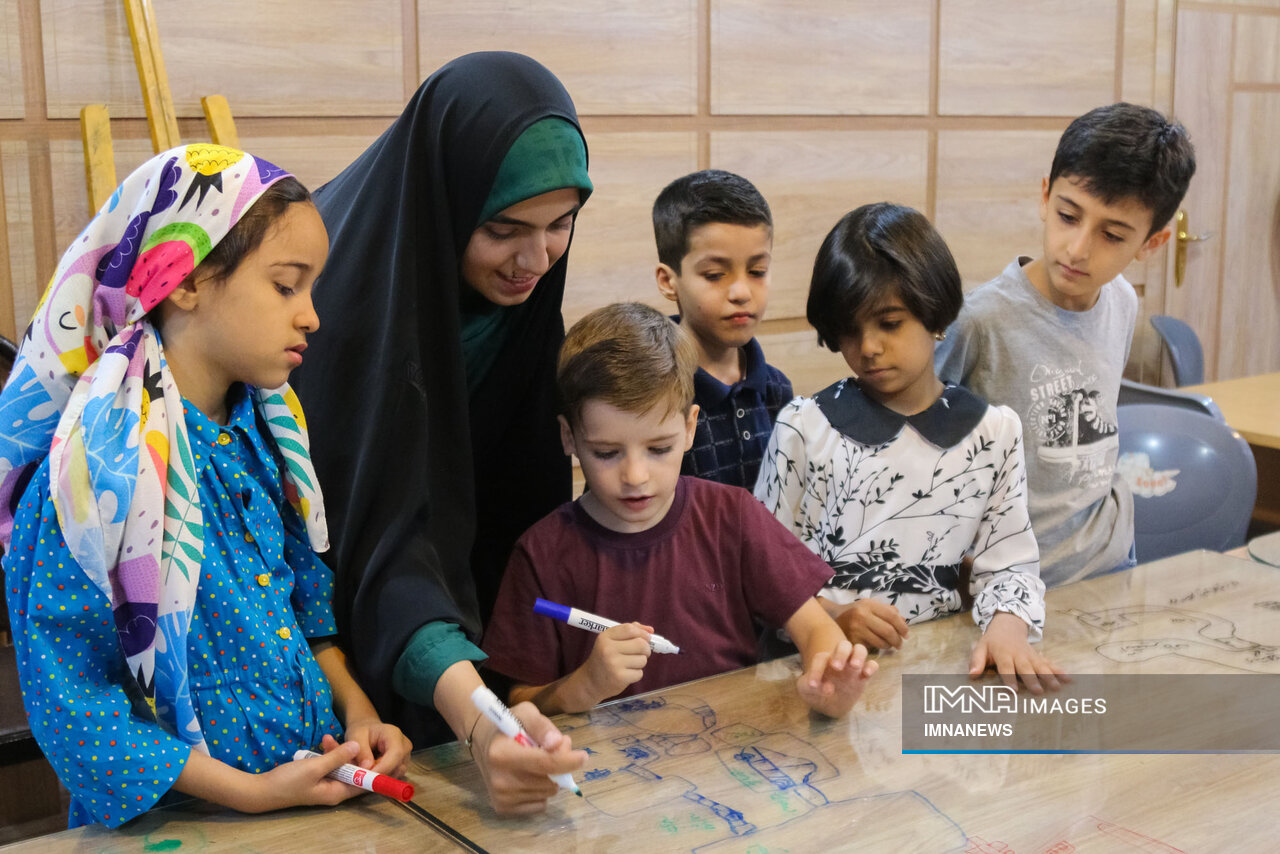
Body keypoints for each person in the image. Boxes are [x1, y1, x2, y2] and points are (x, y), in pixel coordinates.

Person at [0, 145, 410, 828]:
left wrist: (358, 710)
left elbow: (303, 606)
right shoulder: (93, 472)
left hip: (307, 802)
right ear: (185, 281)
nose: (311, 315)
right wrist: (250, 792)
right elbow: (73, 704)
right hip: (178, 826)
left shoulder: (271, 435)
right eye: (286, 285)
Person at [288, 52, 593, 810]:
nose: (535, 260)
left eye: (561, 226)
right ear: (445, 201)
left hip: (452, 664)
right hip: (324, 673)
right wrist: (478, 716)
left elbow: (511, 510)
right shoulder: (347, 313)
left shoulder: (520, 306)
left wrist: (510, 688)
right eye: (503, 228)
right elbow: (381, 549)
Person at [481, 302, 878, 716]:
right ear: (569, 438)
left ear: (690, 427)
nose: (635, 475)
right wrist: (585, 685)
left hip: (739, 756)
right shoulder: (541, 555)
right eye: (605, 452)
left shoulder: (732, 515)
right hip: (614, 773)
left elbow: (814, 627)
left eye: (659, 449)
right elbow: (521, 702)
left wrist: (829, 675)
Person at [755, 203, 1059, 692]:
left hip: (941, 677)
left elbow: (1011, 563)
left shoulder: (993, 432)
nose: (868, 347)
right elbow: (762, 571)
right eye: (850, 330)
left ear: (935, 313)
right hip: (820, 680)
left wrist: (1008, 627)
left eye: (889, 323)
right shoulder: (803, 428)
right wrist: (832, 617)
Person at [935, 103, 1196, 587]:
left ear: (1151, 244)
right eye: (1068, 215)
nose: (1077, 248)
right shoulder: (979, 320)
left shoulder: (1121, 301)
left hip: (1109, 567)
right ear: (1044, 196)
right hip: (1009, 590)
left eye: (1112, 234)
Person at [652, 169, 793, 489]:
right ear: (668, 281)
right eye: (715, 275)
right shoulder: (648, 393)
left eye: (757, 271)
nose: (741, 292)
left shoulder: (778, 391)